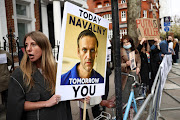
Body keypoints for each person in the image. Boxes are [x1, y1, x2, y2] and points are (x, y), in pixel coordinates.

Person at [6, 31, 72, 120]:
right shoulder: (19, 74)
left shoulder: (58, 70)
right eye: (26, 45)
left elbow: (64, 94)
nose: (28, 49)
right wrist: (46, 103)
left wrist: (78, 97)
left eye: (33, 44)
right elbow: (16, 105)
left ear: (44, 47)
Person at [61, 29, 104, 119]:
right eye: (84, 50)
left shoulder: (101, 79)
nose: (88, 56)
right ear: (78, 52)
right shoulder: (63, 80)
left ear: (96, 53)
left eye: (92, 50)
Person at [120, 35, 141, 104]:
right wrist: (126, 64)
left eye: (127, 42)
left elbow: (139, 61)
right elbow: (117, 66)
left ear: (131, 43)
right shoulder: (120, 52)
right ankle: (126, 110)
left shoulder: (135, 51)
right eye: (124, 43)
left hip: (135, 74)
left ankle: (133, 109)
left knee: (135, 92)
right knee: (126, 94)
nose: (126, 44)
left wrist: (138, 67)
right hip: (126, 76)